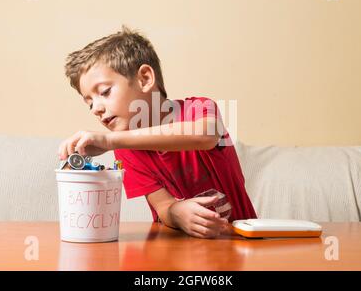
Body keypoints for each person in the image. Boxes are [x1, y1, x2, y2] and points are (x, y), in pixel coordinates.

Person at [58, 25, 257, 238]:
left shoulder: (198, 109)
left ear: (144, 78)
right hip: (175, 253)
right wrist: (176, 212)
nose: (96, 109)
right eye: (89, 103)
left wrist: (110, 140)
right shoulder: (125, 149)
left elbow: (205, 135)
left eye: (105, 92)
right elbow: (163, 206)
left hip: (240, 243)